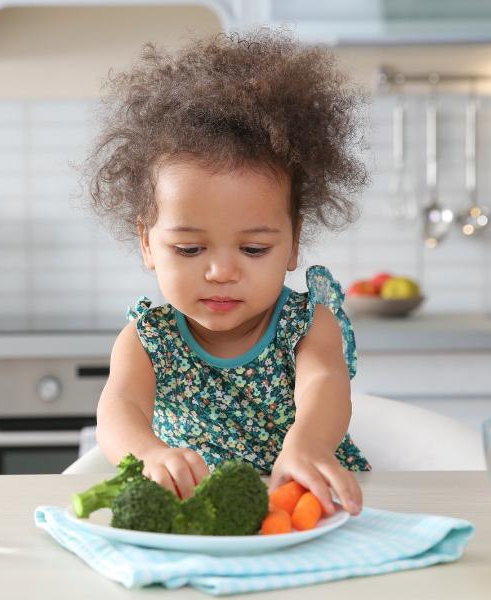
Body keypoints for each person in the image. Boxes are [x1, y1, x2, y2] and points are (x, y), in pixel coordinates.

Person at [84, 28, 369, 516]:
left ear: (294, 242)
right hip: (203, 509)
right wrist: (150, 454)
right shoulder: (148, 338)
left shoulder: (304, 325)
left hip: (309, 504)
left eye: (254, 248)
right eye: (190, 248)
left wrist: (308, 446)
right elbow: (118, 411)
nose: (220, 271)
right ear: (147, 243)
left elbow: (325, 385)